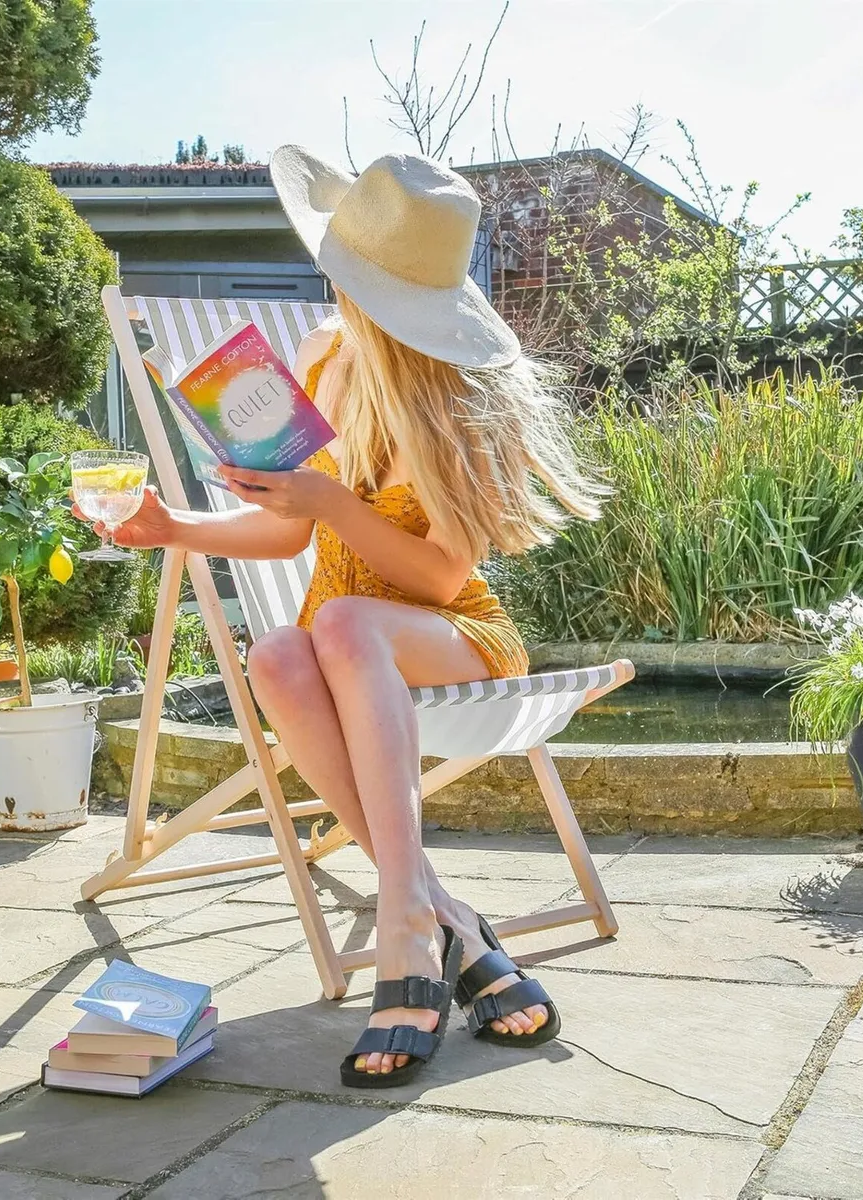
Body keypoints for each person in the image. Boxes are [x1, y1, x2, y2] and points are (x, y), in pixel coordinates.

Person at [74, 146, 603, 1089]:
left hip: (452, 639)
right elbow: (287, 532)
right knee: (277, 654)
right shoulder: (323, 363)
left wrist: (332, 505)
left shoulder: (463, 405)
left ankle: (405, 927)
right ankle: (447, 918)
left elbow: (441, 577)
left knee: (344, 625)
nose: (337, 294)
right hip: (339, 639)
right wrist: (172, 526)